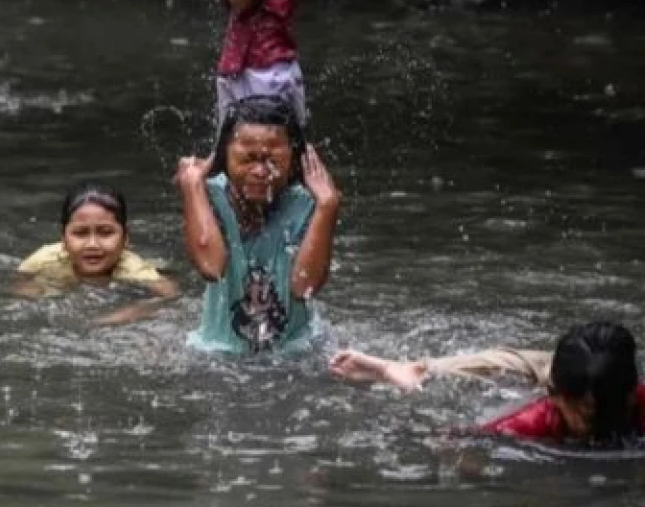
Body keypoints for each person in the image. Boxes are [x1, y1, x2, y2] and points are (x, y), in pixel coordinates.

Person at [176, 96, 339, 354]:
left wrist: (328, 206)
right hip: (215, 352)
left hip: (295, 354)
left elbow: (304, 287)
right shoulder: (209, 195)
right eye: (247, 159)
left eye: (273, 161)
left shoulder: (309, 202)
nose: (260, 171)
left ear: (294, 160)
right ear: (224, 158)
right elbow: (211, 267)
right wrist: (192, 187)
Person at [330, 322, 645, 445]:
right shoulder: (535, 417)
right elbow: (458, 442)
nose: (598, 427)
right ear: (556, 399)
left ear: (631, 397)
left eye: (609, 414)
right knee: (504, 364)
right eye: (587, 417)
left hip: (601, 368)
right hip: (557, 369)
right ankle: (406, 369)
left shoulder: (627, 394)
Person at [16, 182, 179, 325]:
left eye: (105, 232)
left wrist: (123, 315)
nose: (92, 244)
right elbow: (22, 285)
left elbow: (171, 296)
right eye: (80, 233)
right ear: (63, 240)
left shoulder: (133, 269)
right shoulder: (44, 260)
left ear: (125, 239)